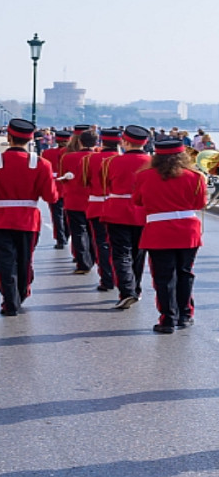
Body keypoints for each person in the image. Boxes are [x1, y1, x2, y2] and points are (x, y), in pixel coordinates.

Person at [0, 119, 59, 315]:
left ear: (9, 138)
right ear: (30, 140)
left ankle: (10, 300)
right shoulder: (42, 163)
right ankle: (21, 293)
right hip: (28, 219)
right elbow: (50, 196)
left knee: (4, 261)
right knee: (25, 259)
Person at [132, 139, 207, 333]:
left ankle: (168, 319)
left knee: (164, 277)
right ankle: (185, 314)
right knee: (185, 273)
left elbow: (138, 201)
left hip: (158, 230)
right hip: (187, 230)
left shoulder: (144, 176)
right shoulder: (196, 176)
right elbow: (199, 204)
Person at [102, 126, 151, 310]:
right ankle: (135, 288)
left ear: (125, 142)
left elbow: (106, 184)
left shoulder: (111, 162)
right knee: (138, 254)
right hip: (142, 212)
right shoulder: (152, 162)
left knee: (121, 253)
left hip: (118, 211)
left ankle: (127, 290)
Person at [85, 129, 122, 292]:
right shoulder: (121, 159)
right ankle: (121, 278)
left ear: (102, 141)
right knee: (120, 247)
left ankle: (107, 279)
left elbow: (84, 181)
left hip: (97, 205)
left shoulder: (90, 159)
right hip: (119, 207)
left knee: (101, 244)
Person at [59, 127, 97, 275]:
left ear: (80, 141)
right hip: (93, 200)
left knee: (78, 232)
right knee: (93, 232)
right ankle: (92, 258)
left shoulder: (67, 157)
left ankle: (83, 262)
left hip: (74, 199)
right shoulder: (100, 158)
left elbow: (63, 178)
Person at [40, 130, 71, 249]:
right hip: (68, 185)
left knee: (56, 215)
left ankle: (60, 238)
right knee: (68, 214)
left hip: (54, 185)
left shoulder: (47, 153)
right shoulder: (71, 153)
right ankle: (66, 235)